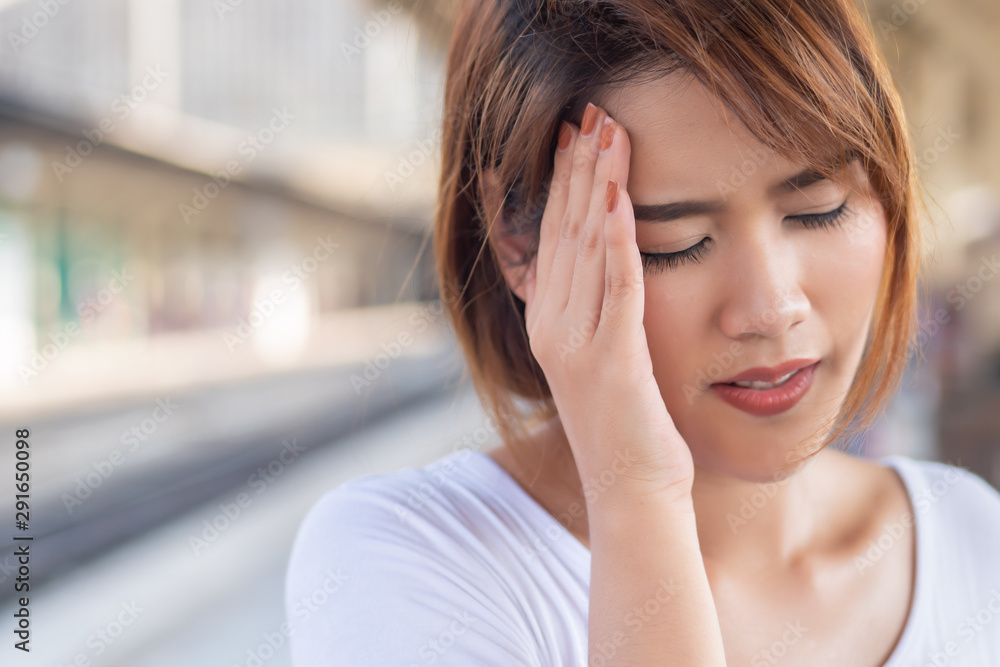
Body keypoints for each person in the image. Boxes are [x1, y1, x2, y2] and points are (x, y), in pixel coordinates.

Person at [285, 0, 1000, 664]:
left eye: (818, 210)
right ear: (516, 239)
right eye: (676, 241)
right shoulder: (406, 559)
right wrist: (636, 494)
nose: (770, 307)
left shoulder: (970, 537)